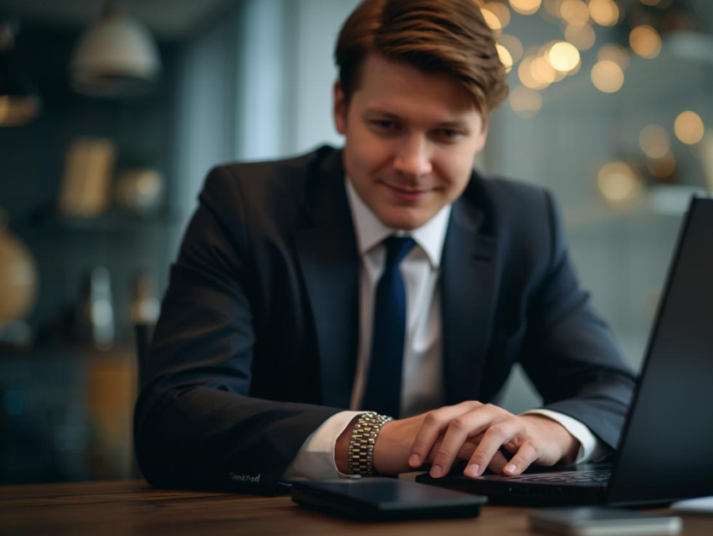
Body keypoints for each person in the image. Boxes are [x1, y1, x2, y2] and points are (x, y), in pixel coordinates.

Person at [134, 0, 635, 495]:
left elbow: (618, 393)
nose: (414, 164)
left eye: (446, 133)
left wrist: (552, 430)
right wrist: (375, 441)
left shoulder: (524, 222)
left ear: (482, 131)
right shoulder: (248, 206)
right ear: (340, 108)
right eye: (387, 125)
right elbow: (174, 413)